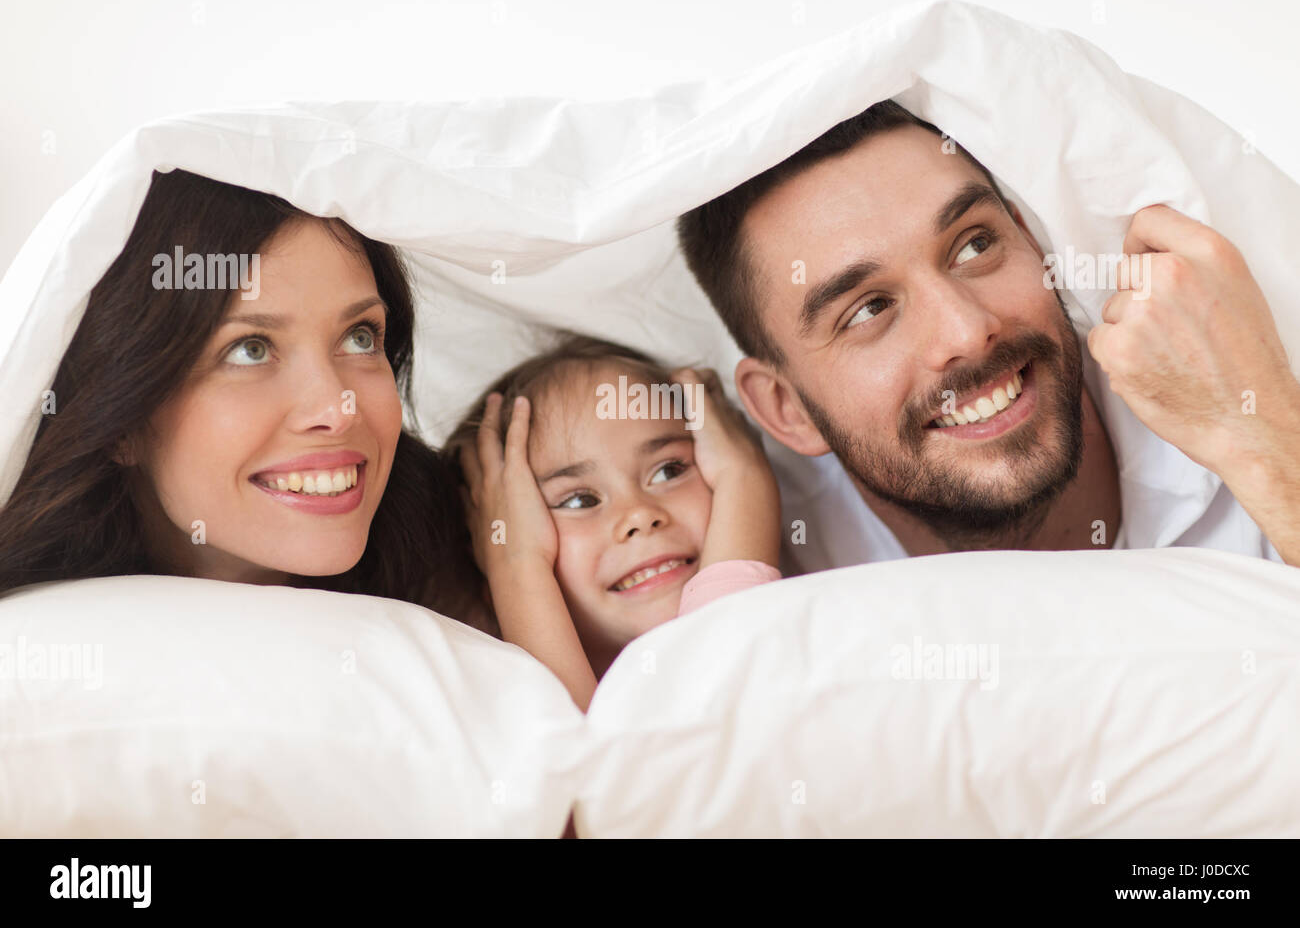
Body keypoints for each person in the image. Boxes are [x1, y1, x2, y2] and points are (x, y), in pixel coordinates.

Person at [677, 100, 1300, 572]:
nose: (968, 331)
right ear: (786, 409)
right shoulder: (777, 567)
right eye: (867, 310)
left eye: (974, 245)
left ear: (1032, 242)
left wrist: (1263, 436)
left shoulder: (1253, 401)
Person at [0, 169, 480, 625]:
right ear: (121, 419)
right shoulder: (40, 651)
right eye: (250, 350)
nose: (337, 410)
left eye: (360, 337)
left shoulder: (464, 556)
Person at [445, 334, 782, 712]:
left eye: (669, 470)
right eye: (579, 500)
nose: (638, 514)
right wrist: (517, 565)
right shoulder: (493, 723)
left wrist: (744, 475)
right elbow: (593, 760)